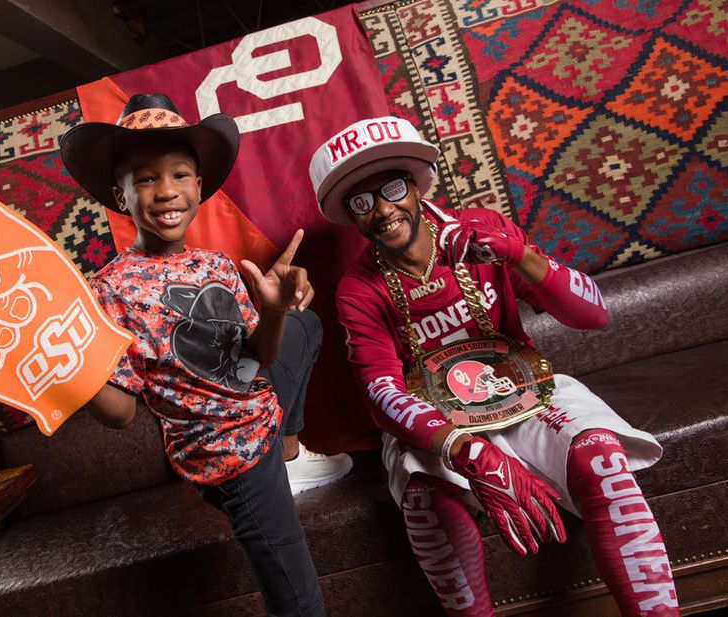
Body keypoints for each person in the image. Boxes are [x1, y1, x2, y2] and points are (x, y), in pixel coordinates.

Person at [308, 116, 681, 617]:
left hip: (524, 393)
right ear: (352, 217)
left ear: (417, 187)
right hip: (434, 421)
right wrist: (469, 453)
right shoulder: (360, 288)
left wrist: (519, 255)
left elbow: (593, 314)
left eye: (392, 188)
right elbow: (381, 394)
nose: (382, 210)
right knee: (423, 504)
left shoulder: (482, 231)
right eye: (362, 201)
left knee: (602, 460)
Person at [59, 93, 347, 617]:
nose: (166, 190)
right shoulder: (108, 292)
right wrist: (68, 364)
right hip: (226, 451)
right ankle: (273, 461)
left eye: (180, 175)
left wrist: (275, 311)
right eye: (145, 178)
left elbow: (252, 360)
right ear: (119, 196)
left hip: (255, 402)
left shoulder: (214, 263)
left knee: (306, 321)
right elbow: (121, 414)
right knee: (298, 596)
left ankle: (289, 452)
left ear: (198, 187)